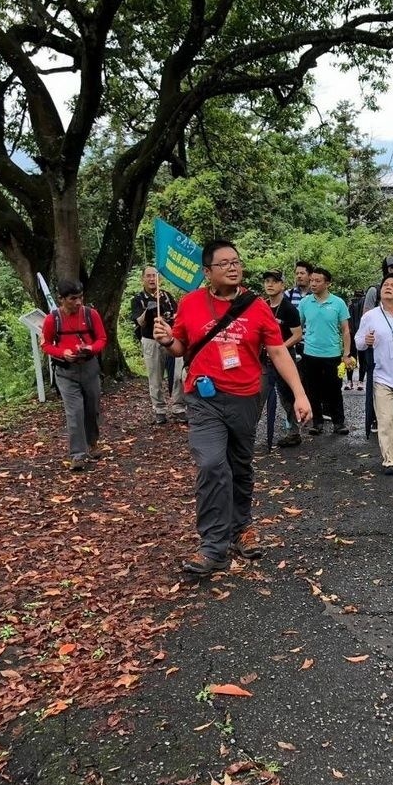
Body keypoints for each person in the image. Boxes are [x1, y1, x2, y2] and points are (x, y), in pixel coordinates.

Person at [152, 241, 312, 576]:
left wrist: (299, 394)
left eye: (236, 261)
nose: (232, 267)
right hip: (203, 399)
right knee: (212, 464)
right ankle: (213, 547)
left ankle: (242, 528)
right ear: (207, 272)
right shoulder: (191, 302)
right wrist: (167, 340)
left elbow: (278, 352)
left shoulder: (256, 305)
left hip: (245, 397)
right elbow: (181, 347)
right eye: (223, 263)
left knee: (240, 464)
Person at [40, 280, 107, 471]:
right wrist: (63, 353)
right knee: (74, 412)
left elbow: (102, 338)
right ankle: (77, 455)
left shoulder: (90, 314)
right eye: (72, 299)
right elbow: (46, 344)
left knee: (91, 408)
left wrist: (90, 348)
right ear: (61, 299)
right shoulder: (53, 319)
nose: (78, 302)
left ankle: (92, 443)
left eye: (80, 297)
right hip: (65, 372)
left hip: (89, 368)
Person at [355, 273, 393, 475]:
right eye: (385, 285)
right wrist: (366, 340)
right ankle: (389, 459)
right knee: (385, 418)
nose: (388, 287)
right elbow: (358, 343)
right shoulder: (370, 316)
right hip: (382, 375)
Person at [297, 267, 354, 435]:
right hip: (310, 353)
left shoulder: (338, 303)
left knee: (334, 388)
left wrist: (346, 354)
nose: (313, 284)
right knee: (312, 389)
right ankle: (317, 423)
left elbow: (345, 330)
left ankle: (339, 422)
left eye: (318, 281)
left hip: (332, 354)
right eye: (312, 280)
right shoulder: (305, 303)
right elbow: (298, 327)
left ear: (328, 283)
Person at [130, 266, 182, 424]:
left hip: (171, 339)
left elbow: (177, 314)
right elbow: (138, 321)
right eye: (149, 276)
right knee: (155, 376)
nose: (152, 279)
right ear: (143, 279)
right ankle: (159, 409)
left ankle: (178, 407)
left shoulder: (166, 296)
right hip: (151, 341)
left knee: (179, 374)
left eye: (155, 276)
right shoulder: (138, 299)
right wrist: (149, 309)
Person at [260, 269, 304, 448]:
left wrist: (278, 349)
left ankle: (294, 432)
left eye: (274, 281)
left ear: (282, 285)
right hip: (262, 357)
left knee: (286, 393)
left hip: (285, 356)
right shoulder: (262, 306)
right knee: (259, 392)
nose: (270, 284)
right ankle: (248, 432)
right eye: (267, 281)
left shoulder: (288, 308)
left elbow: (297, 335)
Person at [346, 290, 366, 389]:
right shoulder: (364, 302)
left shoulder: (350, 303)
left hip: (352, 333)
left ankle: (349, 381)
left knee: (351, 357)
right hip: (361, 333)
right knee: (362, 359)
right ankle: (360, 381)